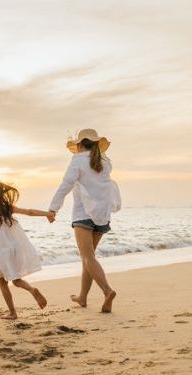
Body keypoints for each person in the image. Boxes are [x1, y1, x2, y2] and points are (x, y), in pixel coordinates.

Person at [48, 128, 121, 313]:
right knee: (89, 258)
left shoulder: (77, 160)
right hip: (102, 215)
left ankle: (107, 291)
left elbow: (65, 185)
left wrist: (53, 208)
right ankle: (82, 297)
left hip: (83, 214)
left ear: (79, 144)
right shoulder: (105, 162)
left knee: (88, 257)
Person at [0, 180, 54, 320]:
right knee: (16, 279)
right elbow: (30, 212)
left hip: (1, 252)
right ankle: (32, 290)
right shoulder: (8, 208)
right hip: (15, 248)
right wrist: (47, 213)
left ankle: (13, 312)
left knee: (2, 282)